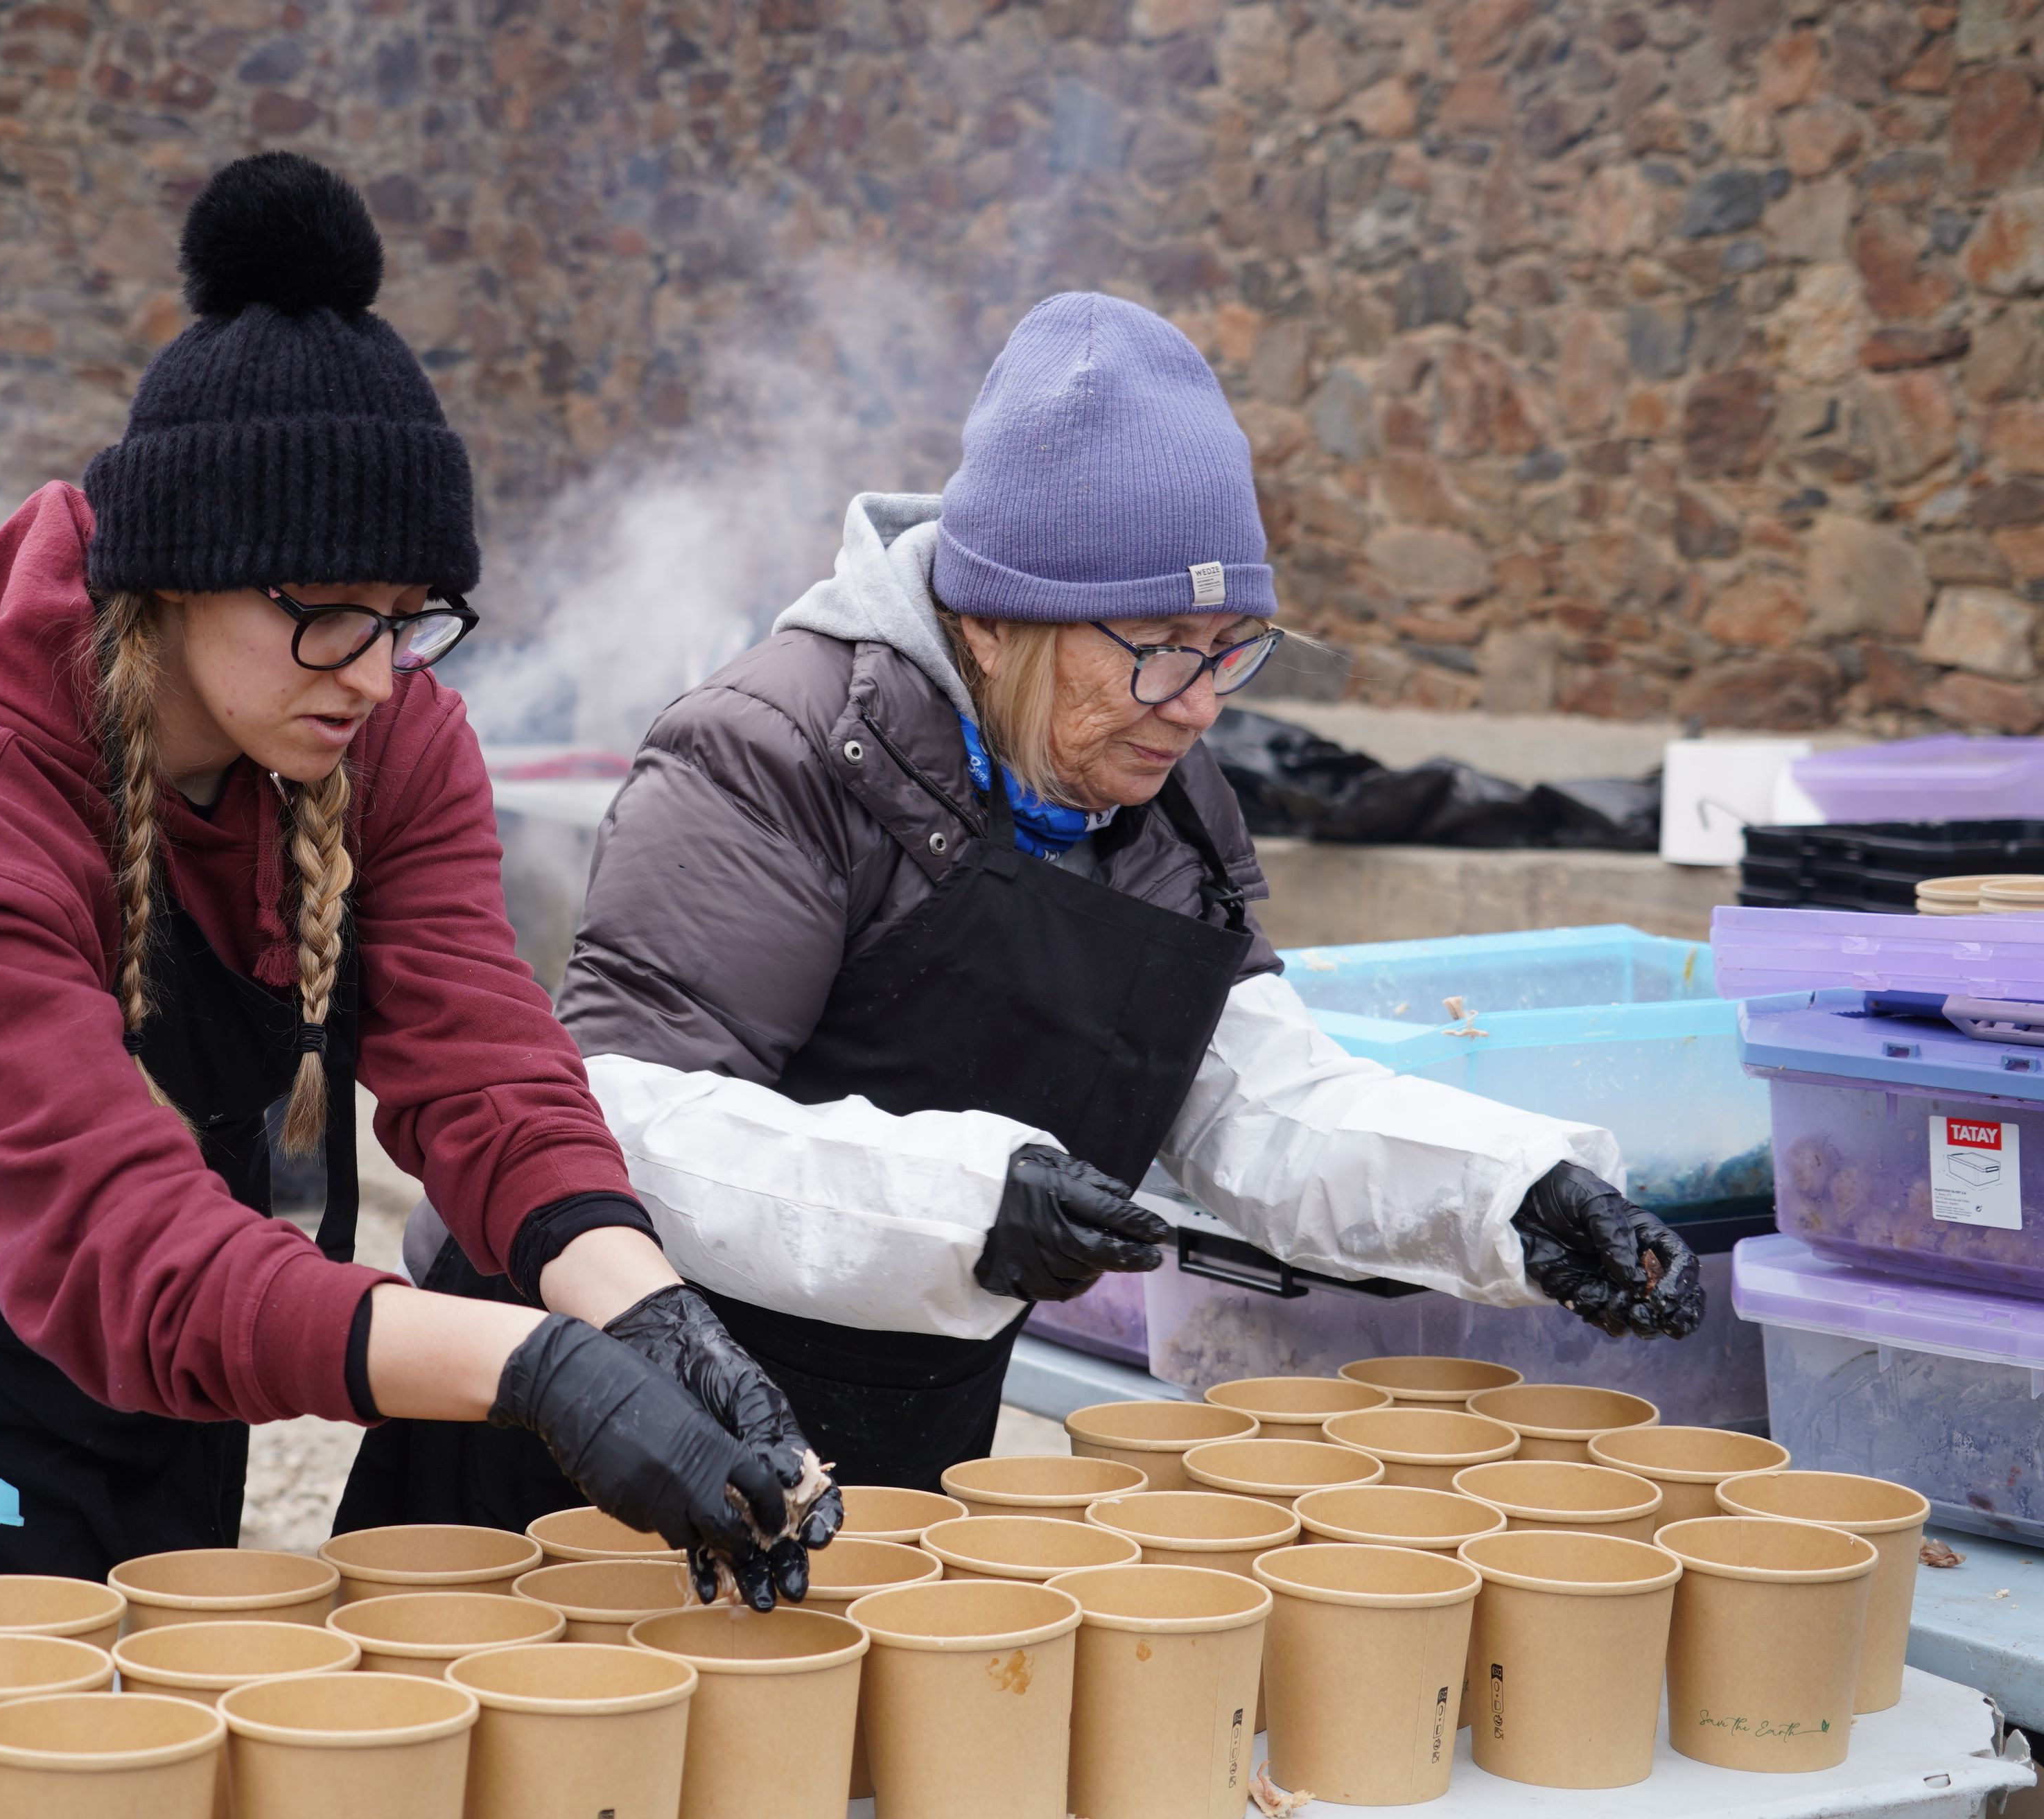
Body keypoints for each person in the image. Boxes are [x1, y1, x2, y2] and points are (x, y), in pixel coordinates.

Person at [0, 153, 836, 1601]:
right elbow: (114, 1246)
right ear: (181, 579)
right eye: (329, 617)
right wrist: (536, 1368)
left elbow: (484, 1062)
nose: (381, 676)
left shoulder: (379, 726)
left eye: (412, 620)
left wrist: (648, 1312)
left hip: (189, 1315)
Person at [491, 293, 1700, 1492]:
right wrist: (966, 1202)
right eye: (1162, 640)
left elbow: (1250, 1102)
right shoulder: (772, 752)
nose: (1203, 697)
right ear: (995, 622)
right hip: (609, 1423)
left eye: (1235, 641)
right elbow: (619, 1126)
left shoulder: (1162, 791)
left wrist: (1509, 1195)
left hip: (897, 1428)